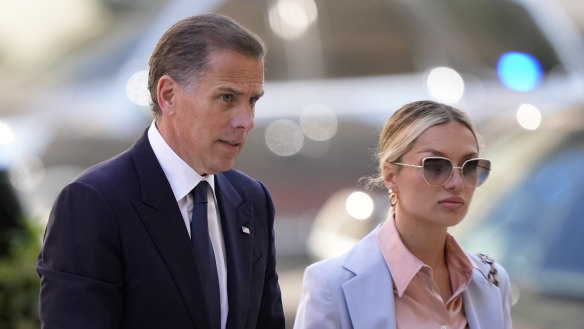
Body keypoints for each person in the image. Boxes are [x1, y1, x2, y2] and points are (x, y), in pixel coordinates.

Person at [36, 14, 285, 329]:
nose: (246, 120)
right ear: (168, 95)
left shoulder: (251, 200)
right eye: (227, 98)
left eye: (252, 101)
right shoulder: (94, 203)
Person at [293, 100, 512, 329]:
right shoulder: (331, 284)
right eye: (435, 166)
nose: (456, 183)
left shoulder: (492, 279)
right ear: (390, 174)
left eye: (469, 166)